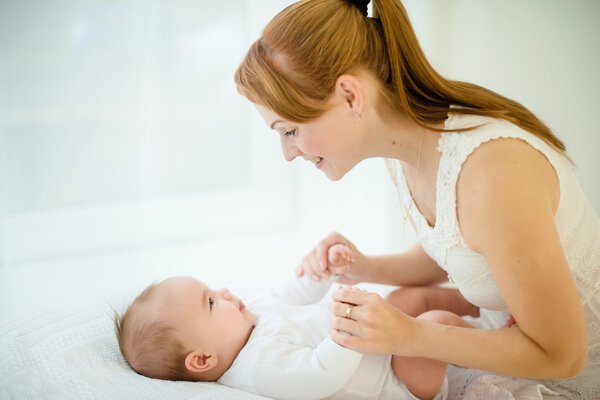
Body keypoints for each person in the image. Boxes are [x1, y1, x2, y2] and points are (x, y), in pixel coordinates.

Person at [233, 0, 600, 398]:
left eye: (288, 131)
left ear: (350, 96)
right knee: (404, 308)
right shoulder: (416, 149)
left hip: (562, 372)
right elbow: (462, 249)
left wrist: (410, 335)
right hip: (510, 336)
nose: (289, 154)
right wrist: (360, 267)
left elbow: (563, 356)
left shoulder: (492, 173)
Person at [114, 244, 475, 400]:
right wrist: (345, 322)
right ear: (202, 359)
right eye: (209, 301)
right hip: (396, 380)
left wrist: (323, 271)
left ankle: (478, 306)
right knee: (434, 321)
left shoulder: (247, 315)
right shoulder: (255, 367)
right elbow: (320, 374)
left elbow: (291, 293)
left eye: (212, 288)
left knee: (406, 297)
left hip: (382, 338)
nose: (223, 291)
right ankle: (487, 343)